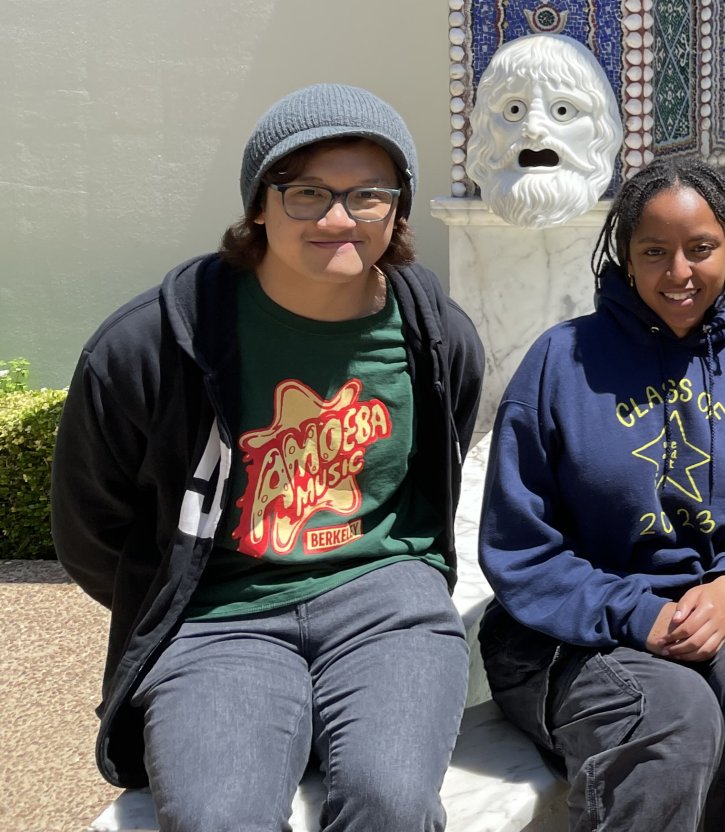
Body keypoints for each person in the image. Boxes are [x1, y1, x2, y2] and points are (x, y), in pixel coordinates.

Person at [51, 84, 484, 831]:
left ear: (398, 209)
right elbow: (93, 528)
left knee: (393, 802)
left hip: (387, 603)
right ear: (259, 203)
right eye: (307, 192)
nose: (338, 219)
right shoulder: (152, 345)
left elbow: (436, 468)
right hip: (219, 617)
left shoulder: (436, 334)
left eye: (369, 195)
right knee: (218, 819)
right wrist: (176, 587)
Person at [479, 159, 725, 832]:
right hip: (567, 630)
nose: (679, 272)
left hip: (715, 604)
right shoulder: (560, 361)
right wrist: (637, 613)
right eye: (654, 251)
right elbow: (519, 547)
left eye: (700, 248)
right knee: (673, 717)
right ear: (625, 255)